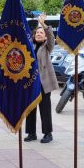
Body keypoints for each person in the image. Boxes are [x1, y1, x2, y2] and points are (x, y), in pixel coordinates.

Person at [25, 13, 59, 143]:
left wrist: (43, 24)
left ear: (44, 36)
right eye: (37, 33)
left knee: (44, 108)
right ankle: (31, 133)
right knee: (30, 108)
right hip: (31, 82)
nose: (39, 34)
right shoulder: (30, 47)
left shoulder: (47, 46)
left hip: (44, 83)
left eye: (41, 33)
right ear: (34, 36)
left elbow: (51, 36)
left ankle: (48, 134)